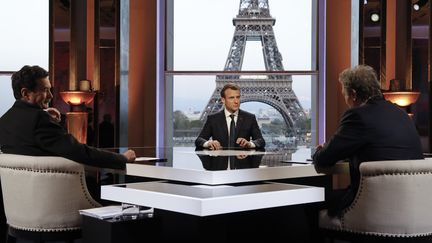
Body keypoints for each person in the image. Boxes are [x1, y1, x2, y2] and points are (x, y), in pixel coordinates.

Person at [312, 65, 423, 217]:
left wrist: (320, 150)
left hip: (373, 206)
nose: (346, 100)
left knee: (310, 204)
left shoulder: (358, 116)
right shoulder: (402, 114)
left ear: (353, 94)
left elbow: (324, 159)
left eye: (345, 94)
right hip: (412, 209)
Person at [195, 83, 265, 150]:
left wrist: (249, 144)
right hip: (219, 161)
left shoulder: (250, 118)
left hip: (243, 160)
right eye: (231, 98)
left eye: (238, 97)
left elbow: (261, 141)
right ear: (223, 100)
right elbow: (199, 140)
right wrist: (209, 143)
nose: (236, 101)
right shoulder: (213, 119)